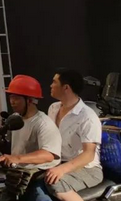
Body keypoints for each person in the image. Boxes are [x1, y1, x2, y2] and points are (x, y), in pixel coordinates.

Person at [44, 69, 103, 201]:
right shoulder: (53, 108)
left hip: (87, 169)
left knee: (55, 182)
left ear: (66, 87)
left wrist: (62, 169)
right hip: (59, 162)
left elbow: (88, 155)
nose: (51, 85)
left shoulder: (87, 116)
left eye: (54, 82)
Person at [0, 75, 61, 170]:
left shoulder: (44, 124)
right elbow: (0, 133)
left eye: (16, 98)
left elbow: (49, 155)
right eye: (11, 98)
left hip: (36, 172)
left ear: (30, 100)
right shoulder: (16, 118)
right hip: (17, 170)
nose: (12, 102)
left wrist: (17, 158)